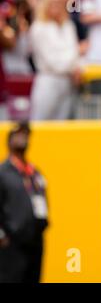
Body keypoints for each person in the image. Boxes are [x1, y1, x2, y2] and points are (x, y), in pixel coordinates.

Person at [0, 121, 48, 283]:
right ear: (9, 139)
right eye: (18, 134)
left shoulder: (34, 172)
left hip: (35, 240)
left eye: (26, 134)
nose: (23, 137)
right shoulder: (3, 172)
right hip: (12, 243)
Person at [29, 0, 80, 120]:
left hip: (68, 81)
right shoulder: (39, 28)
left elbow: (74, 55)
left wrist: (77, 66)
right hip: (48, 80)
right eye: (53, 4)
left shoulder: (68, 26)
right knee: (40, 123)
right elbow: (53, 62)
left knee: (62, 124)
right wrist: (76, 57)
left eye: (59, 4)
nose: (56, 8)